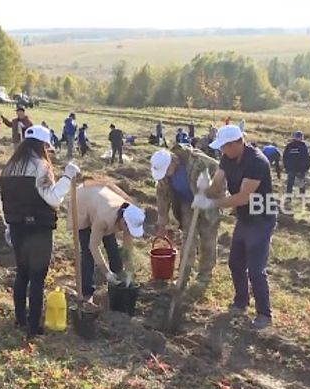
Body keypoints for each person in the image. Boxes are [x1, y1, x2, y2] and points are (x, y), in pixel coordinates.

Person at [0, 125, 79, 338]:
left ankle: (20, 320)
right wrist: (68, 177)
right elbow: (52, 198)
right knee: (37, 277)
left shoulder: (8, 168)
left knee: (22, 273)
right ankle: (34, 328)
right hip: (39, 229)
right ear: (43, 145)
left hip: (16, 227)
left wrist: (8, 226)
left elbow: (2, 201)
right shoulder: (41, 166)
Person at [194, 124, 277, 330]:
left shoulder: (257, 162)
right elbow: (217, 183)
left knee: (256, 270)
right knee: (235, 263)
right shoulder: (227, 157)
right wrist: (204, 190)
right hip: (245, 218)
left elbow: (241, 198)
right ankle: (241, 302)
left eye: (225, 147)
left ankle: (264, 314)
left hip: (262, 217)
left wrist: (212, 204)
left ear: (237, 143)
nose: (223, 151)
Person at [150, 145, 221, 283]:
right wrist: (162, 224)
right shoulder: (164, 176)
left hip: (208, 202)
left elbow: (220, 171)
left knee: (208, 239)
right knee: (189, 239)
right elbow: (162, 200)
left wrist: (212, 193)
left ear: (173, 162)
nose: (165, 175)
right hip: (187, 204)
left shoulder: (198, 162)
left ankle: (204, 275)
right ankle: (184, 274)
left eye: (167, 171)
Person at [72, 181, 146, 300]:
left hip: (100, 203)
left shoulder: (130, 216)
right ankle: (87, 293)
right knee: (87, 252)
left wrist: (128, 271)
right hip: (82, 202)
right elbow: (94, 246)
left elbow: (127, 247)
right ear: (123, 221)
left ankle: (118, 279)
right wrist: (106, 272)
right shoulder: (104, 217)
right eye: (127, 228)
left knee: (112, 246)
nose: (127, 231)